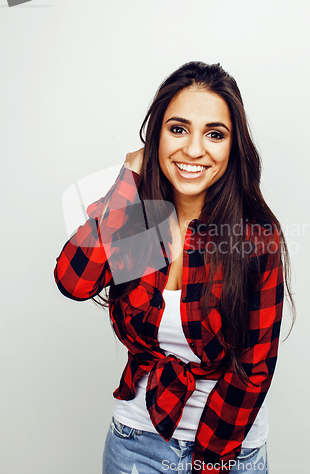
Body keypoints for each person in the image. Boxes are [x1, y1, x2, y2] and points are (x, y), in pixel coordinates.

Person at [54, 61, 295, 473]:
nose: (194, 150)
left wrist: (209, 461)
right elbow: (75, 281)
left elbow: (253, 370)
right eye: (178, 129)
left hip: (230, 452)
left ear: (233, 147)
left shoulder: (255, 237)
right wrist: (127, 180)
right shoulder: (139, 222)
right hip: (134, 443)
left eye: (214, 134)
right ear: (156, 135)